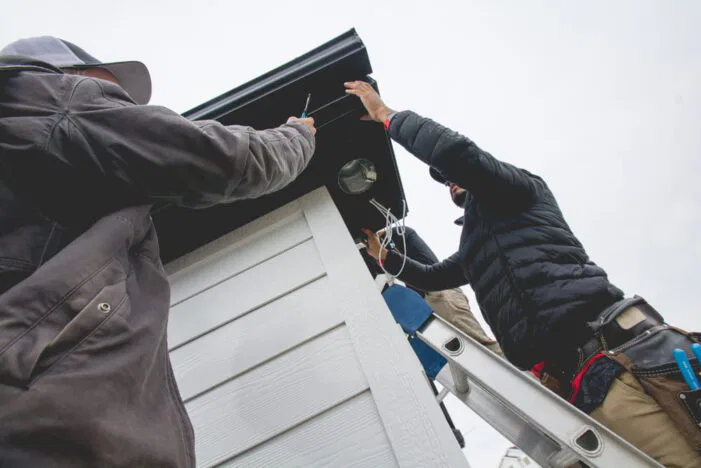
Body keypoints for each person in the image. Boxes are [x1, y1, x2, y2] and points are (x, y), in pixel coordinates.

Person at [345, 80, 701, 467]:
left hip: (615, 356)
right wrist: (382, 256)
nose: (450, 182)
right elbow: (434, 277)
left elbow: (455, 153)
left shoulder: (514, 190)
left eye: (451, 175)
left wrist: (386, 116)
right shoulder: (480, 240)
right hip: (577, 375)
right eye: (445, 181)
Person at [0, 36, 316, 467]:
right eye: (109, 86)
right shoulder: (50, 100)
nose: (124, 102)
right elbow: (228, 160)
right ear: (63, 73)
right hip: (54, 417)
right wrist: (298, 135)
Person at [369, 226, 503, 357]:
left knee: (479, 346)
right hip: (425, 308)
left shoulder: (398, 235)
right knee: (463, 358)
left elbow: (432, 275)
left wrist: (383, 254)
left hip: (440, 294)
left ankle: (520, 372)